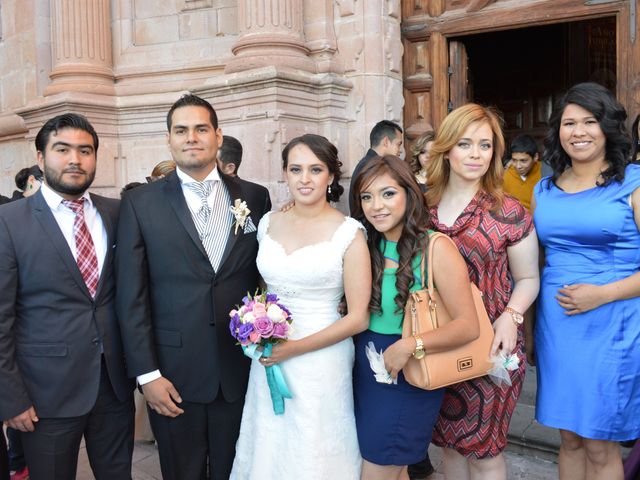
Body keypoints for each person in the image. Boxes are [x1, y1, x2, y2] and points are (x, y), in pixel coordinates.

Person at [115, 94, 272, 480]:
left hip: (238, 368)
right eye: (181, 130)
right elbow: (130, 296)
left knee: (235, 469)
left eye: (201, 129)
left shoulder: (253, 197)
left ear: (218, 136)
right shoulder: (140, 203)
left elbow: (261, 278)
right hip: (172, 374)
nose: (192, 138)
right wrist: (147, 375)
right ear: (169, 139)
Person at [0, 113, 134, 480]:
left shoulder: (118, 213)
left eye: (85, 150)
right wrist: (10, 398)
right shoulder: (9, 221)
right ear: (41, 159)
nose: (75, 159)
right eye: (62, 149)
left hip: (113, 387)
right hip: (44, 394)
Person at [230, 134, 371, 479]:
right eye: (296, 169)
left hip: (321, 356)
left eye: (315, 169)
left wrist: (292, 349)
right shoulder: (268, 223)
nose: (305, 179)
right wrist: (257, 324)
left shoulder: (349, 233)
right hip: (270, 349)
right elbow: (264, 288)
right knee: (270, 436)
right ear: (285, 173)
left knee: (313, 440)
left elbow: (358, 317)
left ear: (331, 177)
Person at [424, 103, 540, 480]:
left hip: (493, 343)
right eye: (465, 144)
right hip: (439, 341)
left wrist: (512, 316)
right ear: (446, 148)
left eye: (485, 145)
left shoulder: (509, 212)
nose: (476, 154)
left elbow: (528, 279)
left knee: (486, 453)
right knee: (448, 446)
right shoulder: (423, 209)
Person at [531, 82, 640, 480]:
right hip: (559, 327)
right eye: (568, 122)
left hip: (612, 322)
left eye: (589, 121)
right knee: (569, 439)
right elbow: (535, 262)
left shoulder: (633, 183)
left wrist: (602, 294)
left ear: (607, 126)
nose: (578, 131)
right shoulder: (544, 191)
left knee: (598, 441)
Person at [349, 154, 479, 480]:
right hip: (366, 371)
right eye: (366, 196)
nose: (376, 205)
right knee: (395, 470)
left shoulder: (436, 247)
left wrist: (410, 345)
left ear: (409, 193)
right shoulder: (364, 245)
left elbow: (468, 326)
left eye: (388, 193)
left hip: (409, 372)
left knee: (377, 471)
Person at [349, 120, 404, 212]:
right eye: (398, 144)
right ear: (386, 141)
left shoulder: (368, 163)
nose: (400, 150)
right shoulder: (371, 166)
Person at [502, 134, 541, 211]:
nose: (518, 166)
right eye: (514, 160)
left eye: (523, 161)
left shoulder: (545, 173)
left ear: (535, 157)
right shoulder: (505, 174)